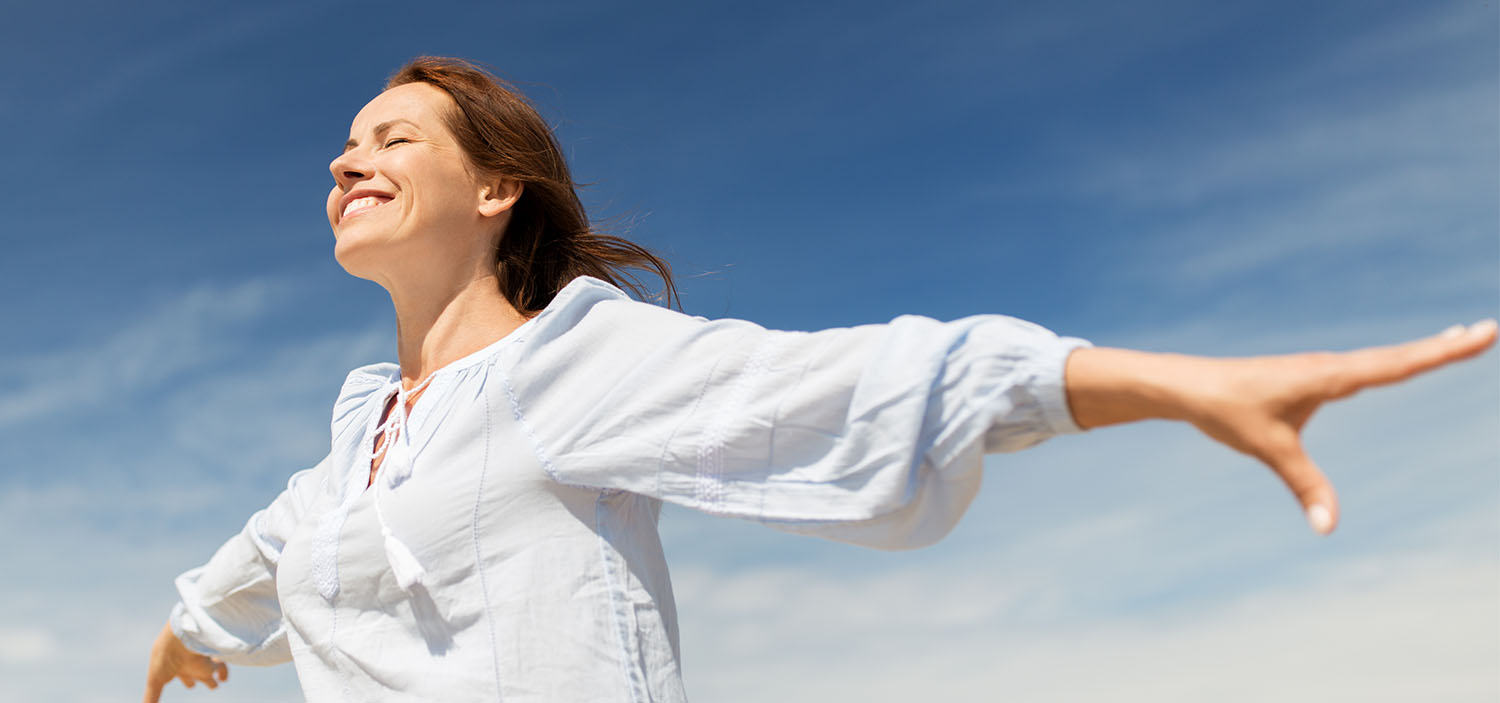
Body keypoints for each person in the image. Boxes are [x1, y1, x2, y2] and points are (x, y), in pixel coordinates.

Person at [141, 56, 1496, 702]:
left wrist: (1167, 381)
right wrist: (192, 627)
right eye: (339, 143)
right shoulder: (365, 434)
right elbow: (277, 542)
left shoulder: (570, 363)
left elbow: (854, 386)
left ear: (496, 187)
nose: (342, 159)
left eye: (387, 137)